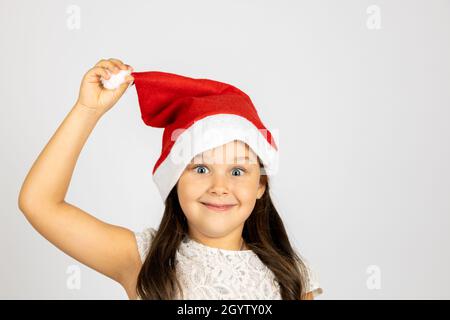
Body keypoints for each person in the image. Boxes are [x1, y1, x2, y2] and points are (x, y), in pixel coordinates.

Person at [18, 58, 323, 300]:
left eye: (237, 171)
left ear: (261, 185)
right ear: (176, 178)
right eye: (201, 169)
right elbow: (40, 203)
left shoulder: (291, 277)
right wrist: (87, 109)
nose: (219, 187)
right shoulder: (141, 260)